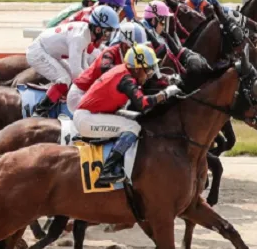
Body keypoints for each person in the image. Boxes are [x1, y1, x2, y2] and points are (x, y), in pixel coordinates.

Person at [73, 43, 182, 184]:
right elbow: (143, 104)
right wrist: (165, 94)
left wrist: (168, 80)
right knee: (133, 127)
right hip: (87, 119)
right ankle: (108, 169)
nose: (149, 74)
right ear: (137, 68)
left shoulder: (127, 72)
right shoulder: (126, 79)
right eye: (147, 69)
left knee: (137, 120)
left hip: (93, 115)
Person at [29, 4, 120, 107]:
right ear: (98, 29)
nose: (107, 37)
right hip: (38, 51)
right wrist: (93, 87)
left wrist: (96, 81)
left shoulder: (86, 34)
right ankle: (40, 110)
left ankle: (57, 100)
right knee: (65, 79)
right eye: (107, 32)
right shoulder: (79, 38)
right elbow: (76, 71)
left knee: (70, 79)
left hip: (48, 51)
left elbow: (84, 66)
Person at [65, 21, 147, 114]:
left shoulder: (128, 57)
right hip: (80, 95)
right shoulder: (109, 53)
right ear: (125, 46)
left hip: (95, 96)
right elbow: (107, 69)